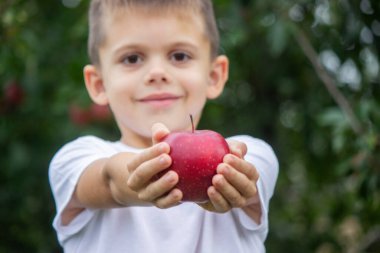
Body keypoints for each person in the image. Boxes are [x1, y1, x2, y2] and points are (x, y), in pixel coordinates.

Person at [49, 0, 279, 252]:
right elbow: (109, 180)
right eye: (132, 58)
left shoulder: (249, 154)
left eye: (179, 56)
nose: (157, 73)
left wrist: (229, 172)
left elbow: (249, 180)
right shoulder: (74, 161)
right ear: (98, 84)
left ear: (214, 76)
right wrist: (144, 178)